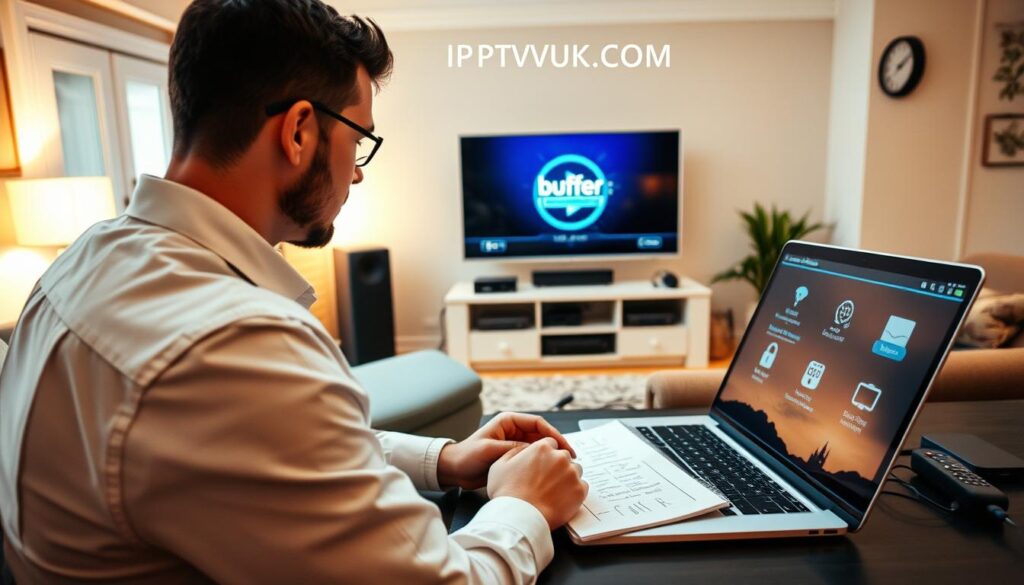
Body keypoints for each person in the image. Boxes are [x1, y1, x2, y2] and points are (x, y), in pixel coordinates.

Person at [0, 0, 588, 582]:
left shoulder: (84, 260)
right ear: (300, 131)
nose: (357, 171)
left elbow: (268, 451)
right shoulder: (237, 340)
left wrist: (443, 459)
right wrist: (525, 506)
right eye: (359, 141)